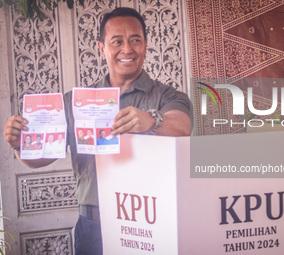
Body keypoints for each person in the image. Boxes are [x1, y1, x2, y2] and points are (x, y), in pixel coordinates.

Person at [3, 7, 191, 255]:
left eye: (135, 40)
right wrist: (20, 145)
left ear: (145, 45)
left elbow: (182, 125)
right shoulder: (74, 103)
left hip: (153, 222)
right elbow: (40, 159)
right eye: (117, 41)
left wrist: (151, 121)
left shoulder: (167, 96)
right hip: (94, 225)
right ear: (102, 48)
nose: (127, 49)